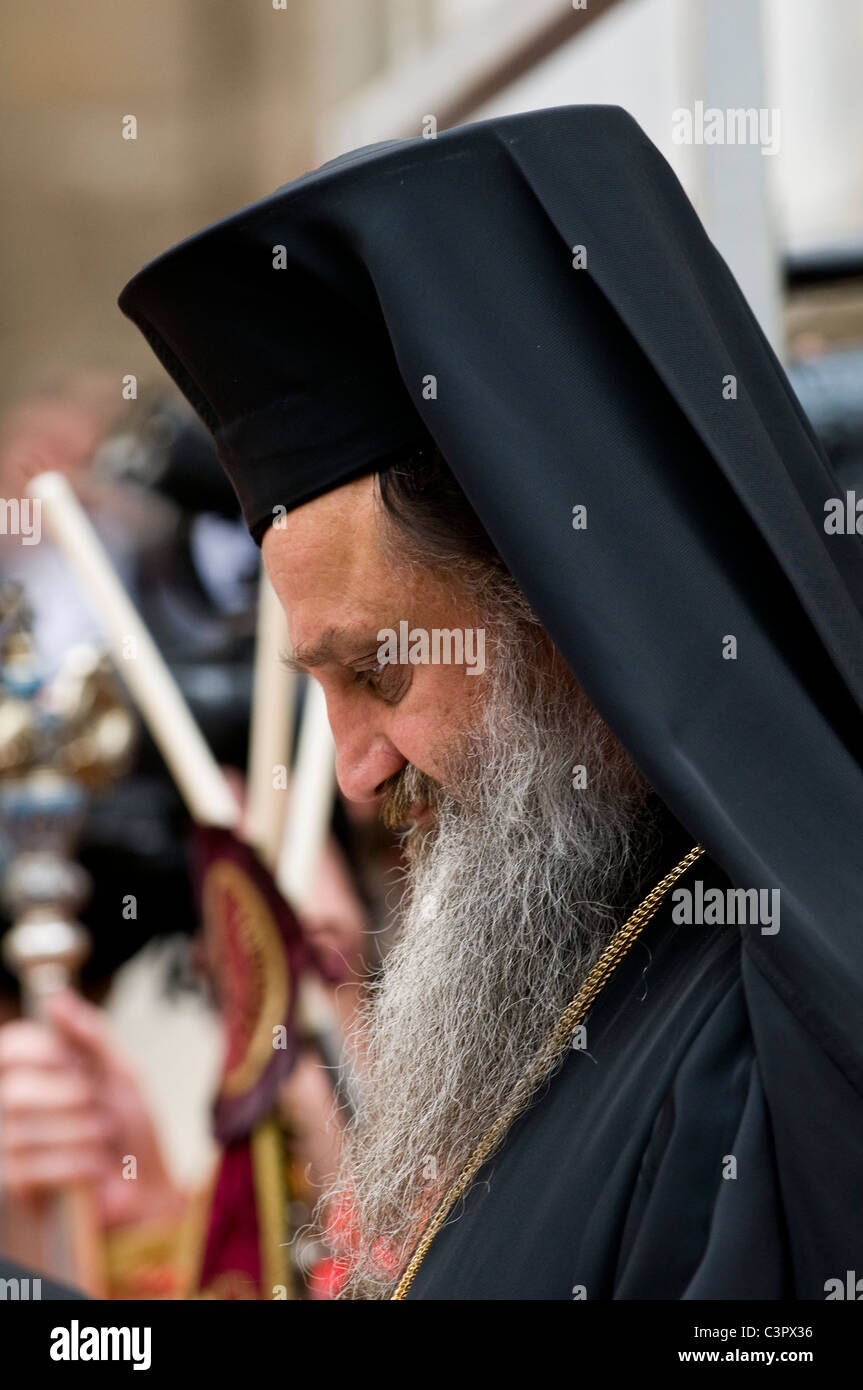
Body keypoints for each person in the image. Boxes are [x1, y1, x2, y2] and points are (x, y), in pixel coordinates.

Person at [117, 105, 863, 1300]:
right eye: (317, 686)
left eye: (379, 672)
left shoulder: (776, 1069)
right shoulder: (574, 962)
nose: (353, 768)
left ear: (577, 609)